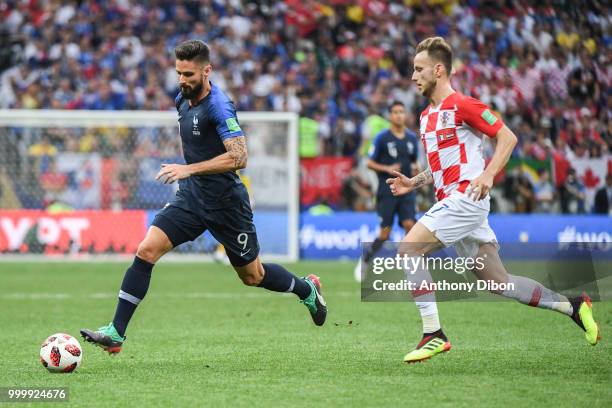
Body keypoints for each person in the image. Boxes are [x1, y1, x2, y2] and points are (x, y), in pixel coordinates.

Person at [81, 40, 327, 354]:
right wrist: (191, 176)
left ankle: (307, 288)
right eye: (179, 73)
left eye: (189, 74)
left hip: (226, 204)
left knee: (253, 276)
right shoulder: (181, 101)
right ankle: (116, 333)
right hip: (192, 198)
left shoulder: (219, 106)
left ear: (207, 70)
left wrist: (189, 169)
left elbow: (239, 157)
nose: (182, 80)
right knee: (146, 250)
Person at [386, 37, 599, 363]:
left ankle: (433, 333)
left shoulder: (465, 105)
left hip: (466, 199)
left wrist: (487, 174)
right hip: (453, 201)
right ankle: (572, 306)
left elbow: (507, 137)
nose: (413, 76)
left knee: (408, 249)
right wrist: (413, 182)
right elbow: (438, 164)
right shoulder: (426, 116)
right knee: (499, 282)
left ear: (439, 70)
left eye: (419, 69)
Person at [354, 101, 419, 281]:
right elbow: (369, 163)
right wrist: (387, 168)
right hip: (386, 190)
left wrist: (415, 169)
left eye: (402, 112)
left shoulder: (412, 138)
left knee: (409, 226)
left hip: (406, 191)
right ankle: (366, 259)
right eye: (395, 112)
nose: (399, 115)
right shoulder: (382, 137)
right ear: (390, 115)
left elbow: (414, 162)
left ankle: (410, 267)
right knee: (385, 234)